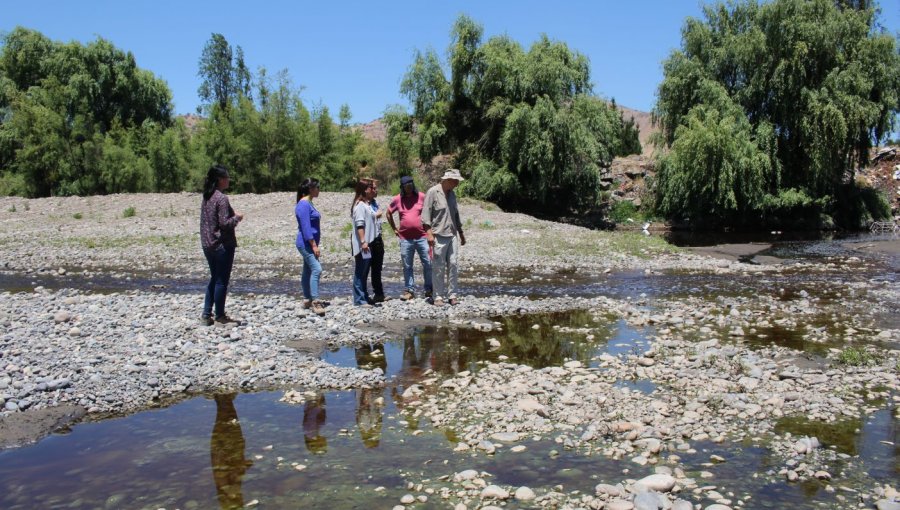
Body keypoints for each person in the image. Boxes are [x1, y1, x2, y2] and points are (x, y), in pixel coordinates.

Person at [200, 164, 244, 325]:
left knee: (214, 278)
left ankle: (206, 314)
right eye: (226, 177)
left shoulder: (207, 195)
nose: (228, 180)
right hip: (222, 245)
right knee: (221, 281)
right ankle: (220, 316)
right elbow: (225, 224)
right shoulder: (221, 198)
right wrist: (237, 218)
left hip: (207, 243)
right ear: (219, 180)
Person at [422, 169, 466, 306]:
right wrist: (429, 234)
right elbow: (425, 215)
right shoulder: (433, 192)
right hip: (438, 235)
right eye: (455, 180)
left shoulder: (452, 194)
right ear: (447, 180)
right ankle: (438, 296)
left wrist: (461, 233)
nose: (457, 183)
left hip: (452, 234)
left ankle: (452, 295)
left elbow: (456, 215)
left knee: (453, 264)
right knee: (438, 267)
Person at [386, 175, 432, 301]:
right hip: (405, 238)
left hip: (422, 237)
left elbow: (430, 211)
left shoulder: (422, 196)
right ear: (402, 187)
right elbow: (388, 213)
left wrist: (430, 231)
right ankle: (409, 290)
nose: (409, 188)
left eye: (411, 185)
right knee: (407, 266)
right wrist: (394, 229)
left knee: (428, 263)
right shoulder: (398, 199)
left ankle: (429, 289)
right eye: (406, 186)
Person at [295, 178, 326, 316]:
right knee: (317, 269)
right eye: (317, 187)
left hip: (309, 243)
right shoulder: (303, 205)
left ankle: (307, 298)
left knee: (307, 270)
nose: (319, 189)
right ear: (310, 189)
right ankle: (315, 300)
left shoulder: (309, 203)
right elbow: (306, 227)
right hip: (306, 243)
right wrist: (314, 245)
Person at [350, 178, 378, 306]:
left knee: (365, 271)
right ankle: (359, 299)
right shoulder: (360, 205)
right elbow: (359, 225)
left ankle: (364, 296)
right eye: (370, 187)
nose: (373, 189)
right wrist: (363, 242)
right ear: (364, 190)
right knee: (360, 271)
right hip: (363, 244)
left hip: (368, 242)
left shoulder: (366, 204)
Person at [368, 180, 387, 303]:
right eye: (374, 188)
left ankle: (379, 294)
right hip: (368, 239)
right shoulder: (362, 204)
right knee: (364, 269)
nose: (376, 190)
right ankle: (361, 295)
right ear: (367, 190)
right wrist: (376, 215)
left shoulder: (375, 202)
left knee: (377, 268)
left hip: (378, 238)